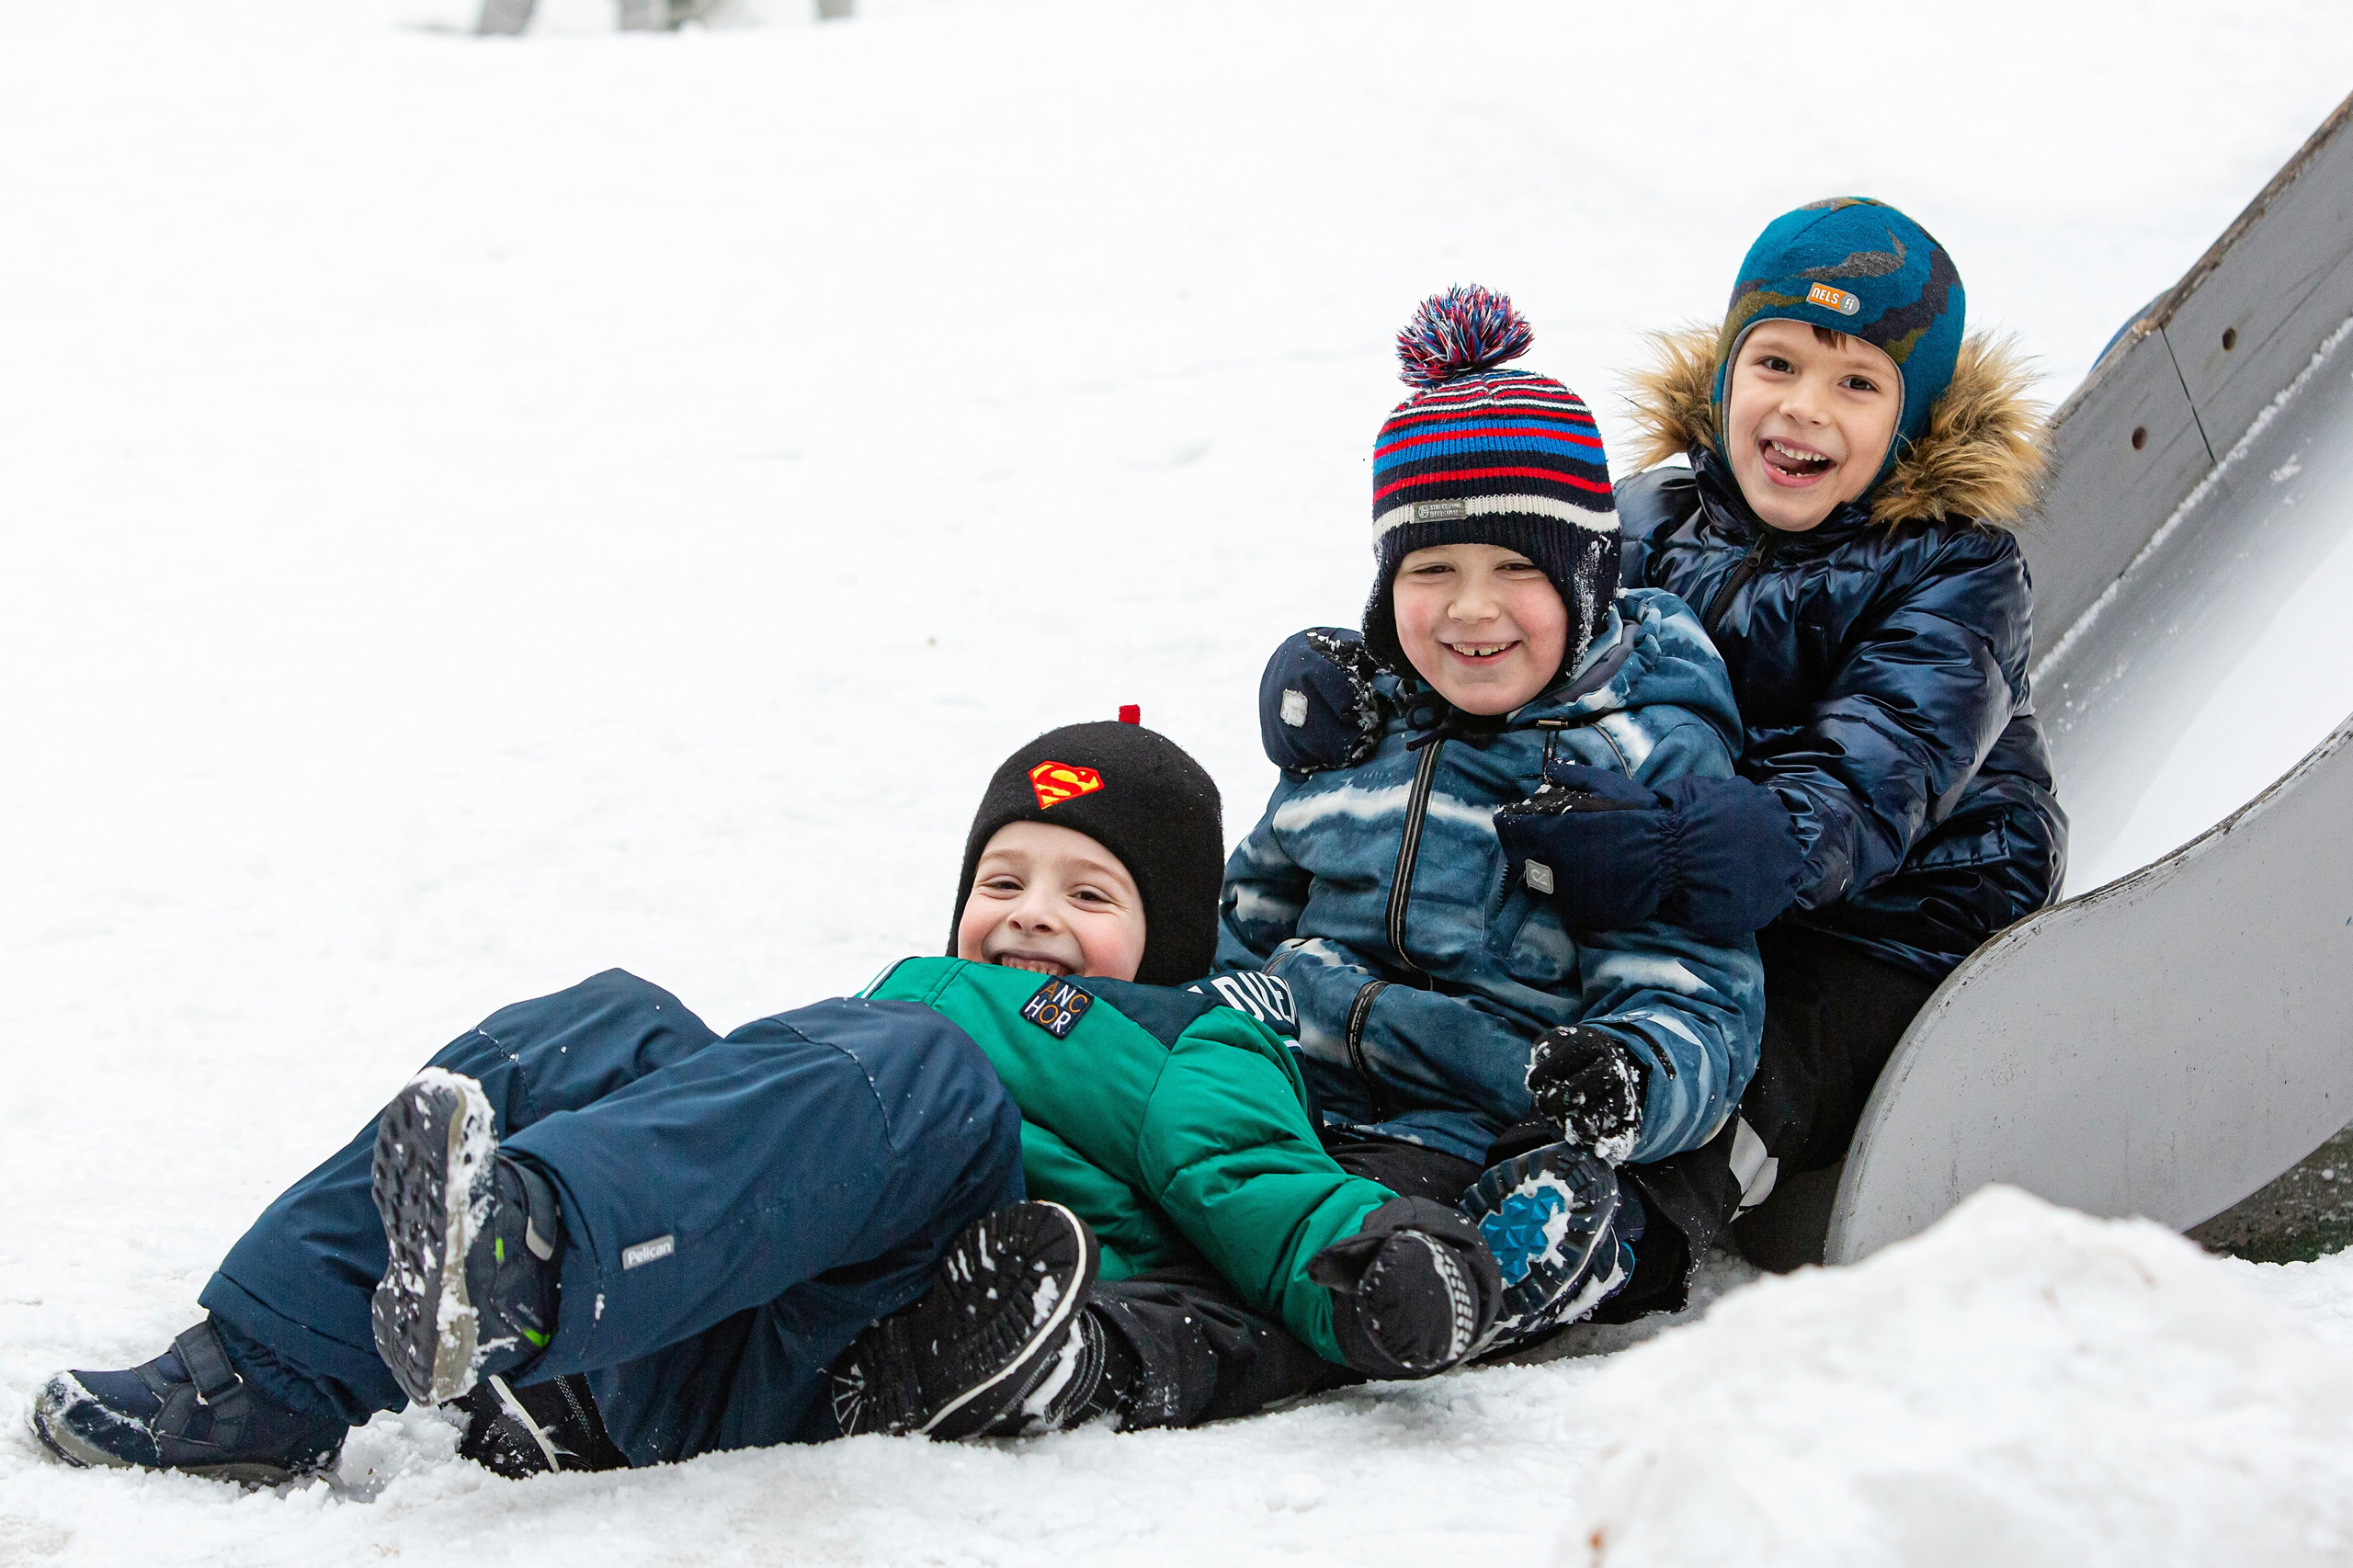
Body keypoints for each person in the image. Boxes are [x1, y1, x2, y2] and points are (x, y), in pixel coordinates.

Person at [30, 718, 1511, 1483]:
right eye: (1001, 880)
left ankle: (531, 1260)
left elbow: (1255, 1182)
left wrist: (1374, 1253)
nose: (1029, 915)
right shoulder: (918, 993)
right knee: (615, 1020)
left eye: (1088, 891)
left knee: (919, 1076)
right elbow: (770, 1126)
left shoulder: (1189, 1044)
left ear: (1174, 938)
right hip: (715, 1295)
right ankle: (261, 1375)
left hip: (875, 1330)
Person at [1495, 198, 2066, 1254]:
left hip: (1885, 916)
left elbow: (1857, 792)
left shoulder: (1954, 570)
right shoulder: (1643, 522)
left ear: (1915, 417)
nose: (1804, 408)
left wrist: (1669, 845)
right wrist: (1374, 688)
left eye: (1856, 382)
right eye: (1776, 364)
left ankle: (1622, 1228)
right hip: (1684, 878)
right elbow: (1495, 644)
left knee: (1768, 1036)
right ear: (1723, 378)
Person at [1222, 285, 1768, 1338]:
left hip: (1477, 1114)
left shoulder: (1633, 760)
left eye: (1518, 569)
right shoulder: (1361, 729)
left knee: (1330, 1238)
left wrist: (1626, 1074)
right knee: (1180, 1149)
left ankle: (1487, 1263)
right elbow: (1253, 901)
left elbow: (1697, 993)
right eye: (1433, 572)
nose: (1472, 611)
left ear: (1590, 577)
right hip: (1297, 1073)